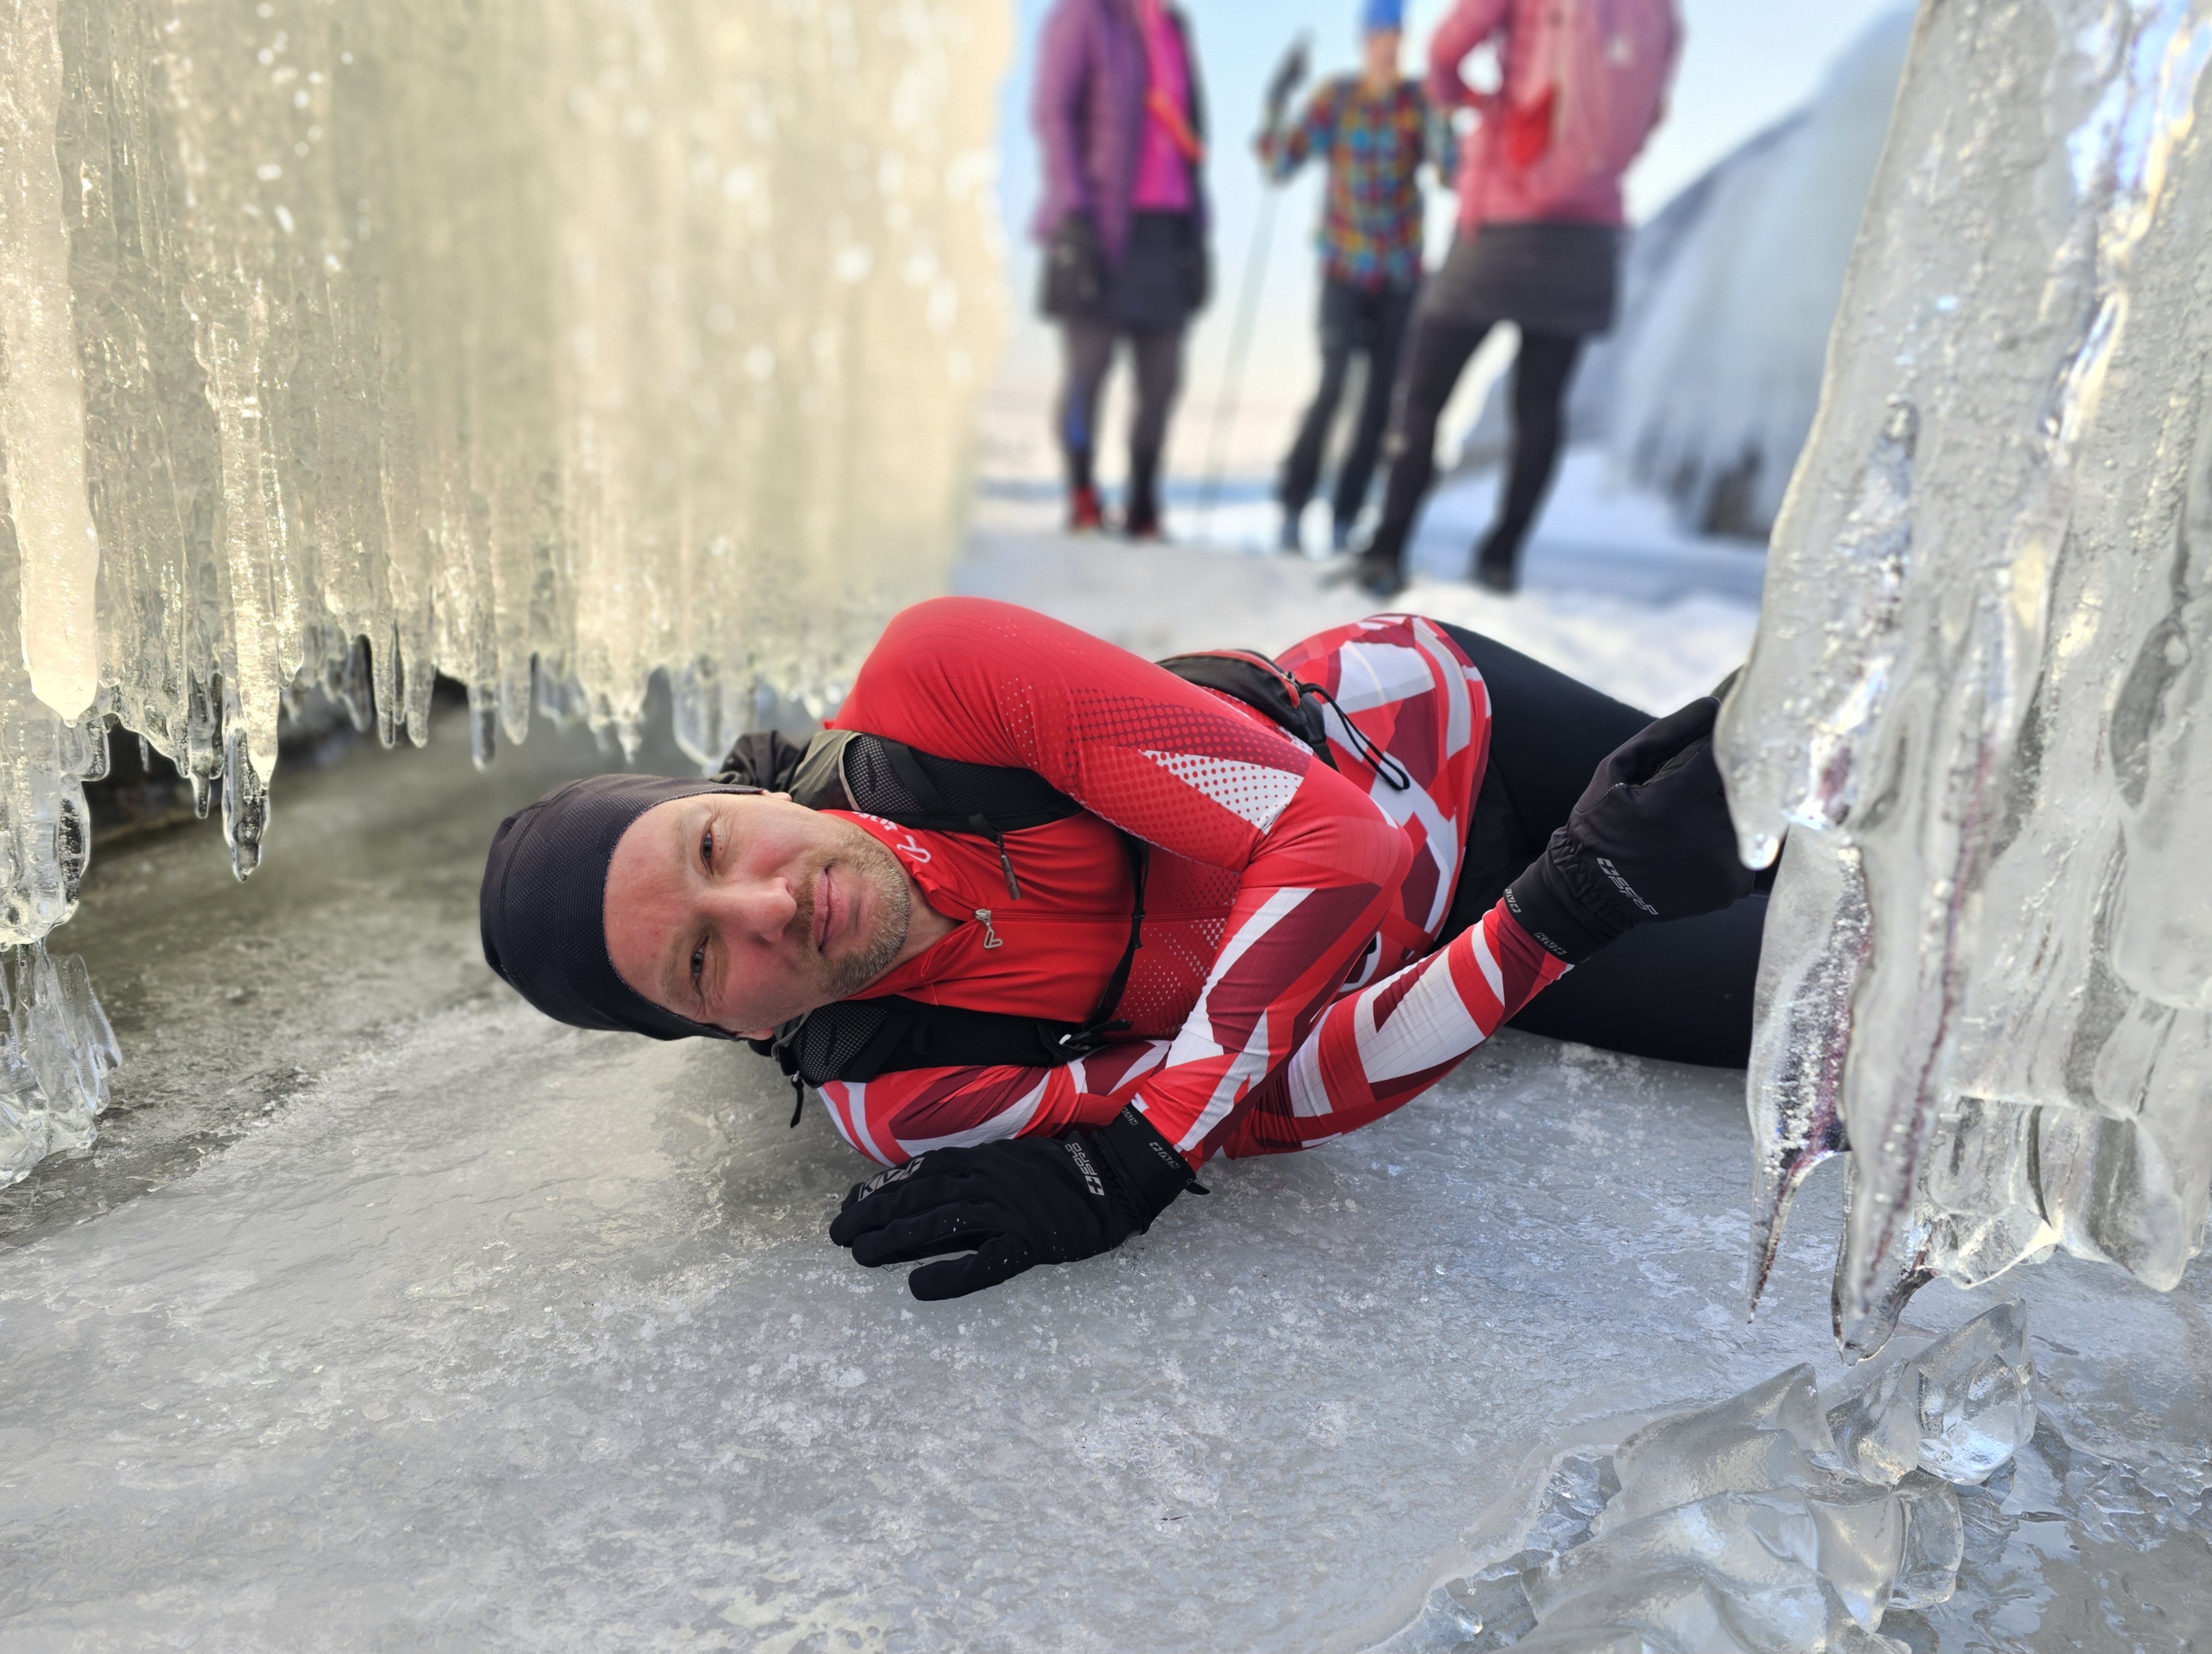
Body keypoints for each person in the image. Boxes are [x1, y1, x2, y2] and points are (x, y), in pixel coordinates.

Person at [482, 598, 1767, 1302]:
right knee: (1832, 1000)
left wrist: (1147, 1148)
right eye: (701, 963)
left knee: (1814, 816)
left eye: (711, 847)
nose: (762, 906)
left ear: (742, 793)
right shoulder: (910, 1085)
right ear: (736, 1031)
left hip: (1442, 718)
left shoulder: (939, 686)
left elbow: (1334, 843)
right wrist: (1563, 909)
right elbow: (1295, 1088)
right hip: (1473, 931)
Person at [1355, 0, 1680, 598]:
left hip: (1503, 217)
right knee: (1540, 406)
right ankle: (1501, 558)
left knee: (1423, 395)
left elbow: (1445, 51)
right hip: (1589, 233)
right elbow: (1651, 114)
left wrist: (1465, 100)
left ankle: (1386, 548)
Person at [1259, 0, 1448, 555]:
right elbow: (1279, 164)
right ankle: (1293, 503)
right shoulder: (1336, 100)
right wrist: (1277, 100)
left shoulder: (1418, 102)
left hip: (1398, 274)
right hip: (1342, 266)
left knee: (1381, 400)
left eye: (1395, 34)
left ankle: (1346, 516)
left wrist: (1444, 106)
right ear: (1364, 39)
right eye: (1378, 34)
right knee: (1334, 383)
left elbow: (1451, 170)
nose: (1386, 45)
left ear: (1403, 40)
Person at [1032, 0, 1211, 540]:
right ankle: (1083, 497)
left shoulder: (1175, 27)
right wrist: (1074, 214)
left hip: (1166, 233)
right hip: (1100, 227)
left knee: (1163, 379)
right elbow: (1053, 112)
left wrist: (1198, 236)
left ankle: (1144, 504)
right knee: (1087, 373)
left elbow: (1192, 138)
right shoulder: (1087, 14)